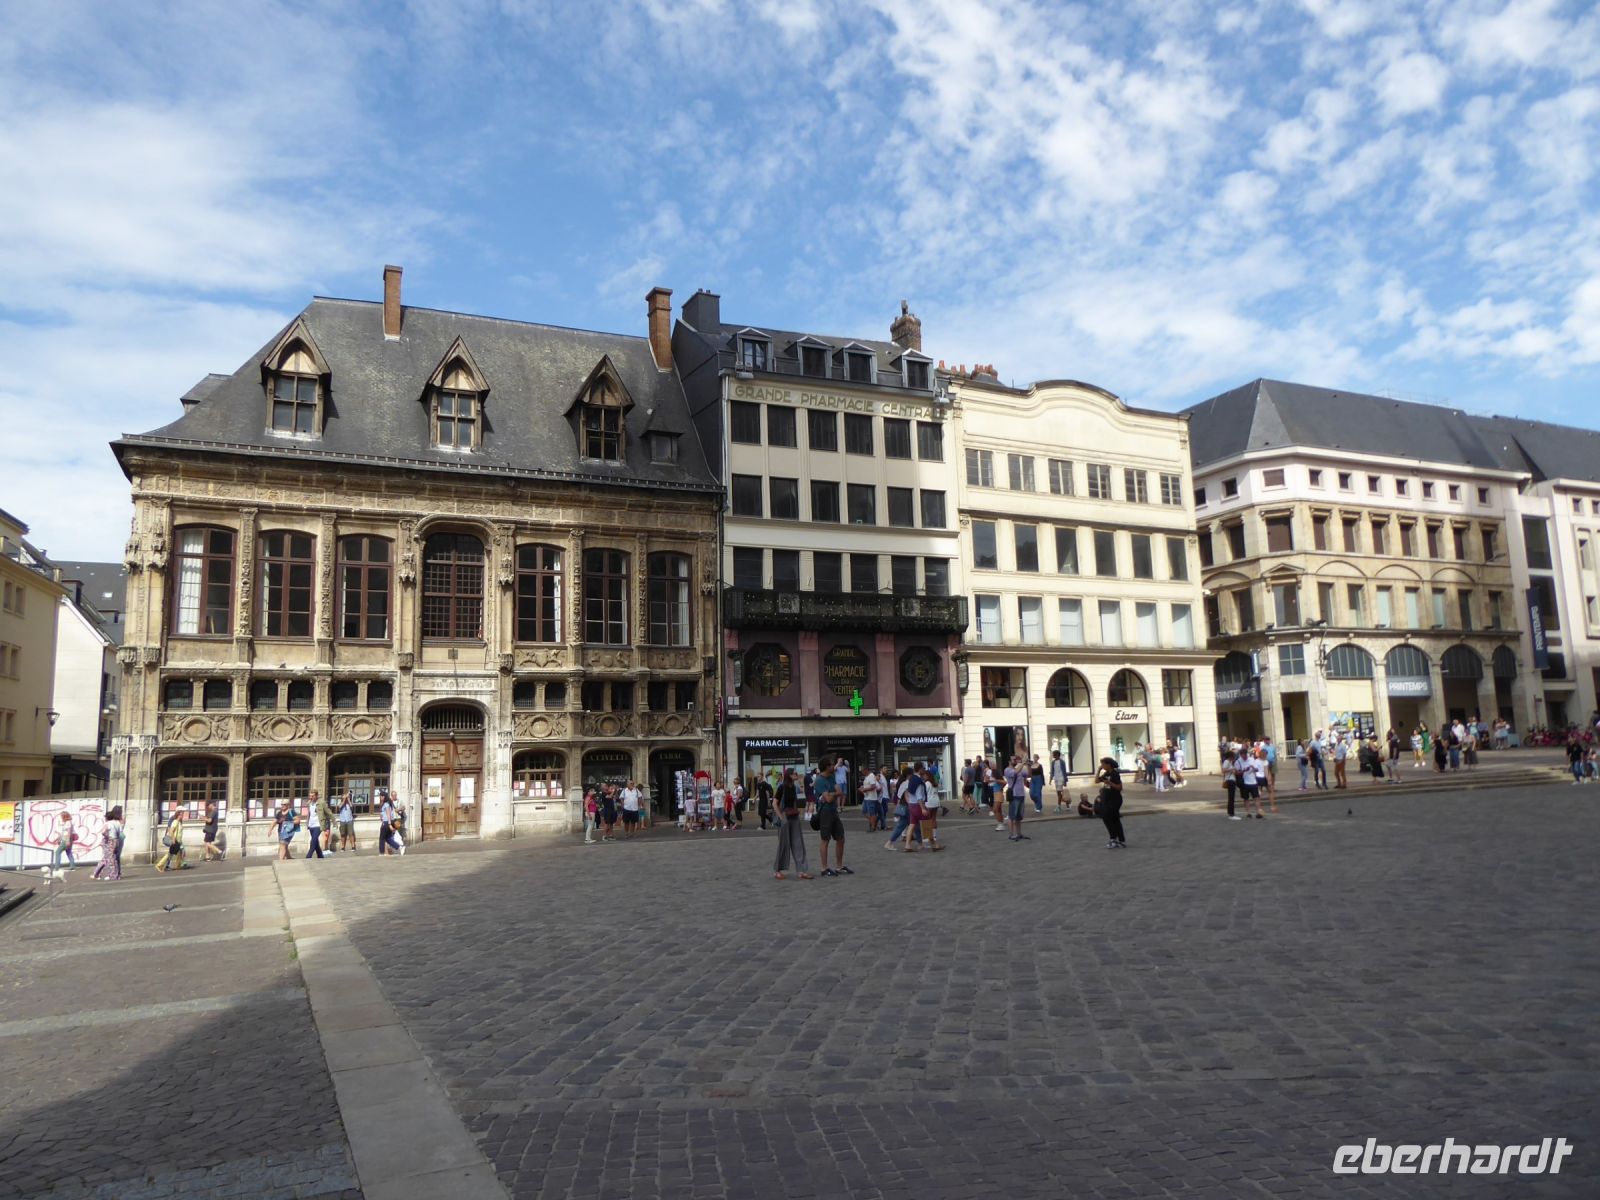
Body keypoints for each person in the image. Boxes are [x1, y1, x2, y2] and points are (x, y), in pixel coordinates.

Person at [813, 756, 853, 876]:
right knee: (825, 839)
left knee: (840, 838)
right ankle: (824, 868)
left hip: (833, 811)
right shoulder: (819, 780)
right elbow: (829, 798)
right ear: (826, 766)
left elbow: (838, 791)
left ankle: (839, 866)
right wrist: (833, 794)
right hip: (825, 812)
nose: (833, 766)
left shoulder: (831, 777)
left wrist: (832, 794)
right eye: (831, 764)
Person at [772, 767, 811, 879]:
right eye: (795, 774)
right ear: (789, 775)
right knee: (783, 845)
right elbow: (775, 803)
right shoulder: (782, 787)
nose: (796, 775)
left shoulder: (794, 787)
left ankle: (802, 870)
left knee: (798, 843)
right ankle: (778, 870)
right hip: (785, 816)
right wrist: (781, 817)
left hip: (794, 817)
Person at [1094, 757, 1126, 848]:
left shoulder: (1115, 774)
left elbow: (1120, 787)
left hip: (1115, 799)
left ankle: (1114, 839)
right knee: (1113, 819)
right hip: (1107, 799)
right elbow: (1096, 781)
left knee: (1109, 818)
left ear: (1109, 765)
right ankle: (1120, 840)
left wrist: (1110, 783)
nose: (1102, 766)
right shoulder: (1106, 773)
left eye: (1103, 764)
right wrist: (1099, 770)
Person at [92, 806, 124, 881]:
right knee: (114, 858)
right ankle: (117, 874)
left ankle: (112, 875)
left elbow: (103, 832)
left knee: (110, 859)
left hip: (110, 841)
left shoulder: (107, 824)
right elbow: (120, 832)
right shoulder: (117, 823)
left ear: (107, 817)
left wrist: (107, 836)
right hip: (117, 840)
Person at [918, 762, 944, 851]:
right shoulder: (935, 783)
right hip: (936, 802)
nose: (923, 777)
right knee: (933, 819)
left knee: (926, 820)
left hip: (928, 803)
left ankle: (927, 837)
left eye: (924, 775)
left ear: (927, 776)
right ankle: (934, 835)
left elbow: (923, 794)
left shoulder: (926, 784)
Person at [155, 808, 187, 872]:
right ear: (178, 815)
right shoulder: (175, 822)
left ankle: (178, 866)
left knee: (179, 853)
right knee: (170, 854)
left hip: (178, 841)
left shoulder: (179, 822)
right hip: (175, 841)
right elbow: (171, 830)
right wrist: (173, 839)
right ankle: (159, 865)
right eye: (181, 815)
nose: (182, 816)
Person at [1007, 755, 1030, 842]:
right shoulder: (1008, 770)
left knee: (1019, 817)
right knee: (1012, 816)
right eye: (1013, 759)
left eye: (1016, 759)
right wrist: (1023, 763)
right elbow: (1015, 772)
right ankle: (1011, 835)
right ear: (1009, 761)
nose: (1015, 761)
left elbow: (1028, 774)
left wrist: (1028, 765)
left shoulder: (1020, 769)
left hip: (1021, 795)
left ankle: (1019, 834)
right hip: (1014, 795)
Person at [50, 812, 76, 876]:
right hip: (66, 840)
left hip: (66, 840)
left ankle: (56, 868)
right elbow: (63, 832)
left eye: (61, 816)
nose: (61, 817)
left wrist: (67, 841)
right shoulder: (67, 823)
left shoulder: (68, 823)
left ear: (64, 817)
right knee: (69, 852)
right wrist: (59, 839)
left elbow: (68, 832)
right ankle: (72, 866)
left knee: (57, 852)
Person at [860, 766, 884, 831]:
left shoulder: (871, 776)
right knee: (864, 811)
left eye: (862, 771)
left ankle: (873, 826)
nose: (862, 773)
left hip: (871, 798)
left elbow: (873, 786)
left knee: (872, 813)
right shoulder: (866, 777)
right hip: (866, 797)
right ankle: (873, 821)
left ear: (866, 770)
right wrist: (862, 787)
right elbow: (868, 785)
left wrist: (865, 789)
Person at [1221, 749, 1241, 820]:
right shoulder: (1227, 762)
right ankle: (1231, 814)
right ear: (1230, 756)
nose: (1234, 757)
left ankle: (1230, 812)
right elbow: (1223, 770)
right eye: (1233, 756)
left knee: (1231, 797)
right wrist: (1231, 770)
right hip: (1230, 781)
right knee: (1231, 797)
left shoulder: (1230, 762)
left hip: (1232, 780)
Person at [305, 794, 325, 860]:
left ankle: (309, 855)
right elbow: (309, 814)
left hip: (318, 825)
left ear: (316, 796)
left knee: (313, 840)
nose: (311, 797)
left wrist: (333, 821)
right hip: (311, 825)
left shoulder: (321, 803)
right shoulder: (310, 804)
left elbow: (327, 812)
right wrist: (307, 823)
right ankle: (320, 855)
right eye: (310, 796)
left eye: (312, 796)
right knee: (315, 841)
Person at [1261, 738, 1277, 810]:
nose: (1267, 741)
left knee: (1273, 773)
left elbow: (1274, 753)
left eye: (1268, 740)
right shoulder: (1263, 747)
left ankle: (1272, 785)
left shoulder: (1272, 746)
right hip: (1265, 763)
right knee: (1266, 773)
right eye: (1266, 740)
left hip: (1272, 761)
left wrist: (1275, 760)